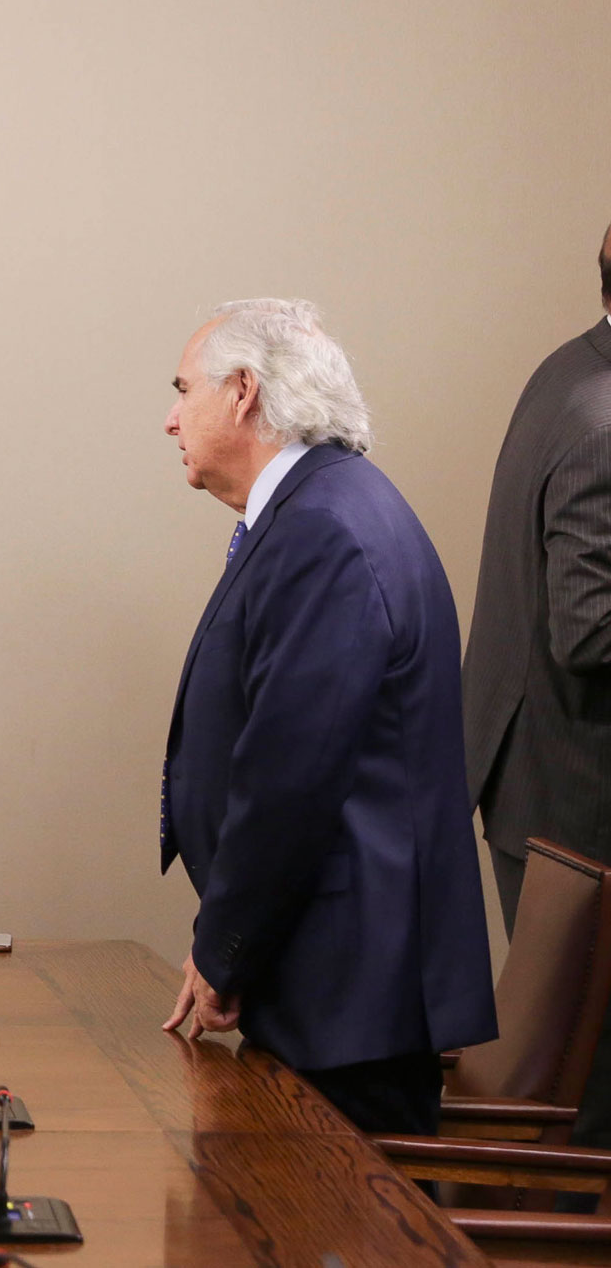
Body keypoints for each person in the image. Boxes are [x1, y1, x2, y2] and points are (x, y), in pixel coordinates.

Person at [157, 299, 496, 1135]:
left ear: (242, 391)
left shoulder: (323, 528)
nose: (171, 419)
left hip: (351, 994)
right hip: (335, 979)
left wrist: (222, 950)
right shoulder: (321, 507)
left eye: (183, 390)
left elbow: (290, 779)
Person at [463, 224, 611, 932]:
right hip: (578, 810)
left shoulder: (570, 366)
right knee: (576, 1012)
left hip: (538, 781)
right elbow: (591, 631)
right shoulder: (602, 422)